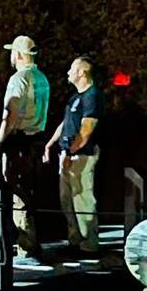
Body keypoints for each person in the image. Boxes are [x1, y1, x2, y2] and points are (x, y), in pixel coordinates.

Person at [0, 35, 50, 264]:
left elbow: (10, 114)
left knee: (18, 194)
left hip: (20, 143)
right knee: (30, 192)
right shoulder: (42, 78)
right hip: (37, 139)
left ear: (18, 54)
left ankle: (27, 247)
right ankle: (31, 242)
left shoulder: (19, 79)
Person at [44, 57, 104, 254]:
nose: (68, 72)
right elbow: (67, 122)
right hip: (68, 154)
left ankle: (89, 242)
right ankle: (75, 239)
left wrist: (72, 151)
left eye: (72, 68)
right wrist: (51, 144)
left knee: (82, 198)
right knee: (67, 199)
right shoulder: (75, 97)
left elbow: (86, 130)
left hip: (82, 155)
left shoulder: (92, 96)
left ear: (81, 72)